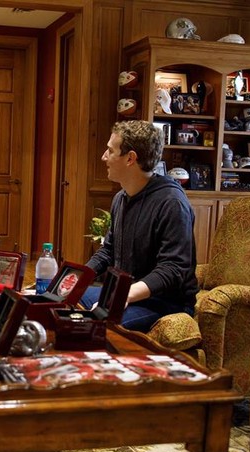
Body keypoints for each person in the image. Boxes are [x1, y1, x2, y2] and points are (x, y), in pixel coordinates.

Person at [80, 120, 198, 332]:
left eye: (110, 151)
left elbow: (173, 269)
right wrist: (76, 278)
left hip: (164, 303)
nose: (104, 157)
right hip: (125, 293)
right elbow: (108, 251)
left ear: (130, 158)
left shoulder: (172, 203)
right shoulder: (121, 198)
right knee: (61, 297)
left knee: (99, 327)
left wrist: (123, 296)